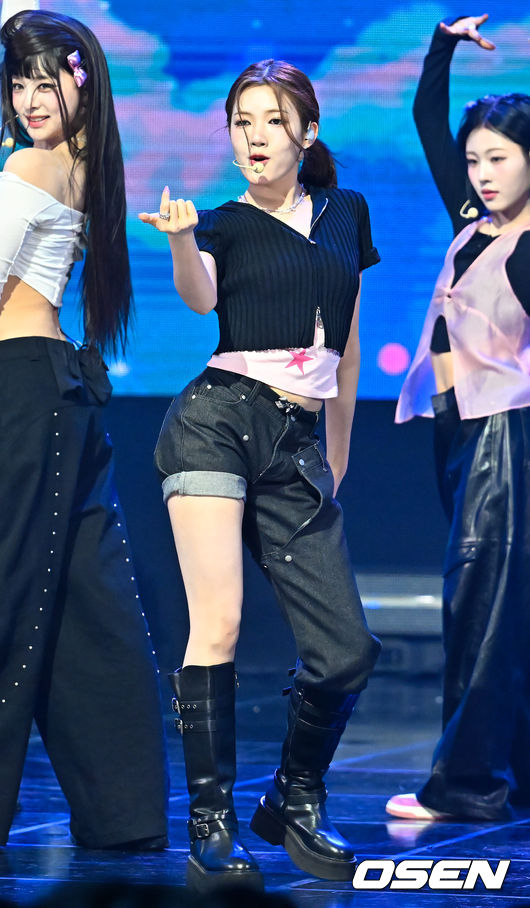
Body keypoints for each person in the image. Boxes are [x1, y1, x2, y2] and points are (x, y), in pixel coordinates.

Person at [139, 60, 381, 888]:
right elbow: (201, 299)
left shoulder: (347, 211)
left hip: (299, 442)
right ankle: (212, 824)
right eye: (241, 121)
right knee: (220, 622)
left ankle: (294, 796)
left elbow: (348, 345)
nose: (254, 136)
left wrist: (336, 452)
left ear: (307, 132)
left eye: (272, 120)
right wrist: (182, 239)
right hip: (216, 423)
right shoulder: (226, 223)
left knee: (346, 650)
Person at [0, 1, 169, 848]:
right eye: (17, 83)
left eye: (46, 82)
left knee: (15, 595)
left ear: (80, 82)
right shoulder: (84, 161)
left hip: (21, 389)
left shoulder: (33, 164)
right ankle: (125, 812)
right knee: (87, 603)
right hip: (54, 391)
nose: (30, 100)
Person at [388, 14, 530, 822]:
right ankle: (514, 773)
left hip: (505, 436)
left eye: (499, 158)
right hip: (460, 431)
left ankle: (466, 785)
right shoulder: (474, 223)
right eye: (475, 159)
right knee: (501, 611)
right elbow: (425, 118)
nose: (481, 172)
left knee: (479, 611)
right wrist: (442, 42)